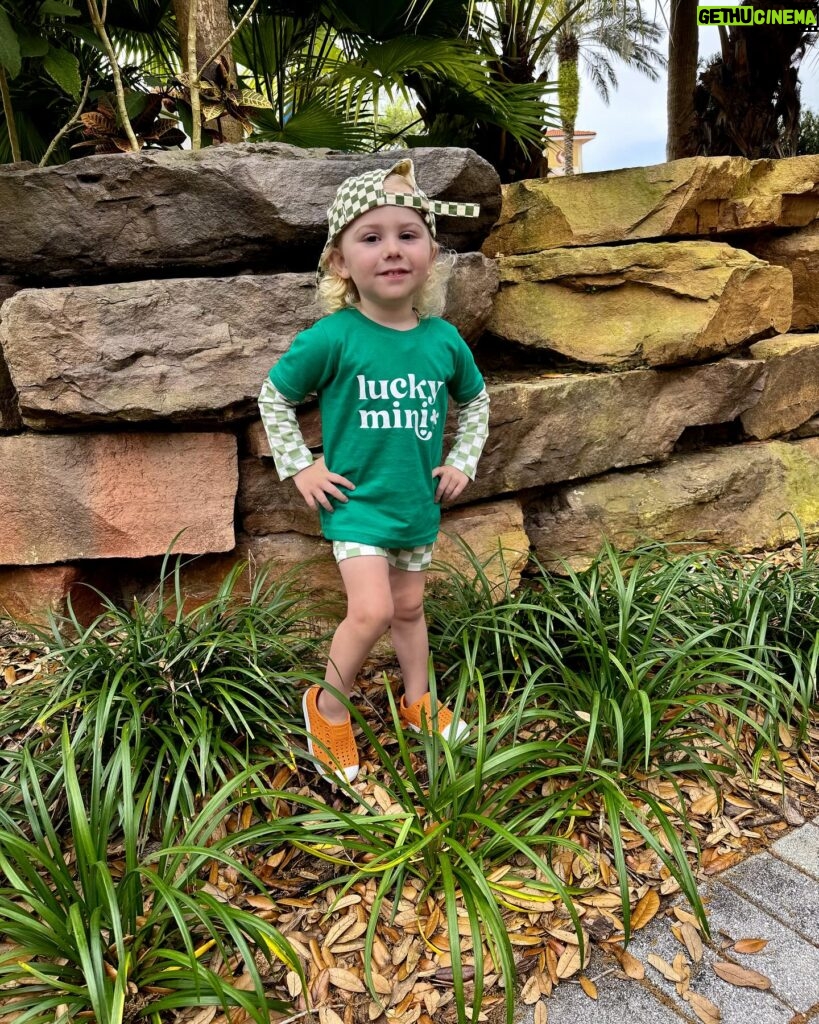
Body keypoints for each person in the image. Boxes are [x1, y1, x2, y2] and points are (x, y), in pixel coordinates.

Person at [258, 158, 490, 783]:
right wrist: (300, 467)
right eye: (371, 237)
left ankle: (419, 702)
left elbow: (476, 401)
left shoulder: (443, 340)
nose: (392, 250)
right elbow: (273, 397)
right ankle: (327, 705)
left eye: (407, 235)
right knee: (371, 612)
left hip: (416, 503)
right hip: (356, 504)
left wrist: (462, 460)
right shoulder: (333, 337)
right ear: (340, 261)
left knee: (410, 609)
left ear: (433, 253)